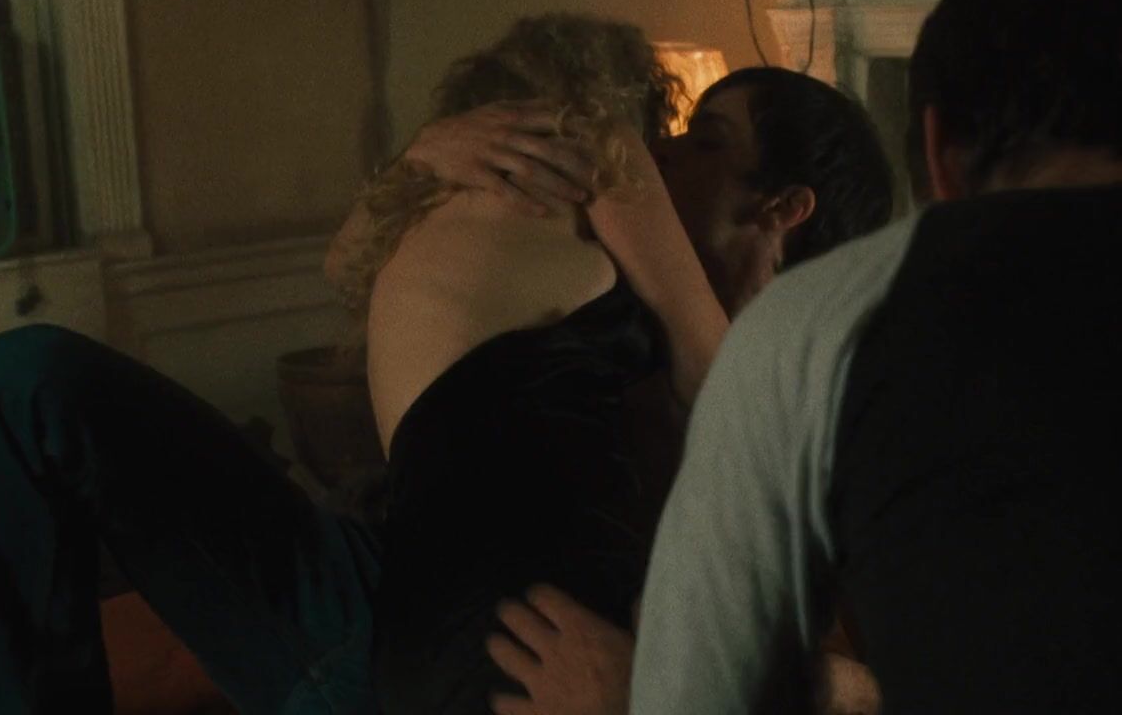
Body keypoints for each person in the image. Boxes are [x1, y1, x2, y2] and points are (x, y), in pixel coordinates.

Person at [331, 66, 892, 715]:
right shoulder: (619, 301)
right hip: (485, 637)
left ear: (783, 209)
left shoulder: (798, 404)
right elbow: (345, 265)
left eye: (707, 142)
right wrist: (422, 156)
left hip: (511, 653)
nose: (664, 150)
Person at [629, 0, 1122, 712]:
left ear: (938, 150)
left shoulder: (819, 329)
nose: (662, 154)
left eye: (705, 141)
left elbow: (696, 692)